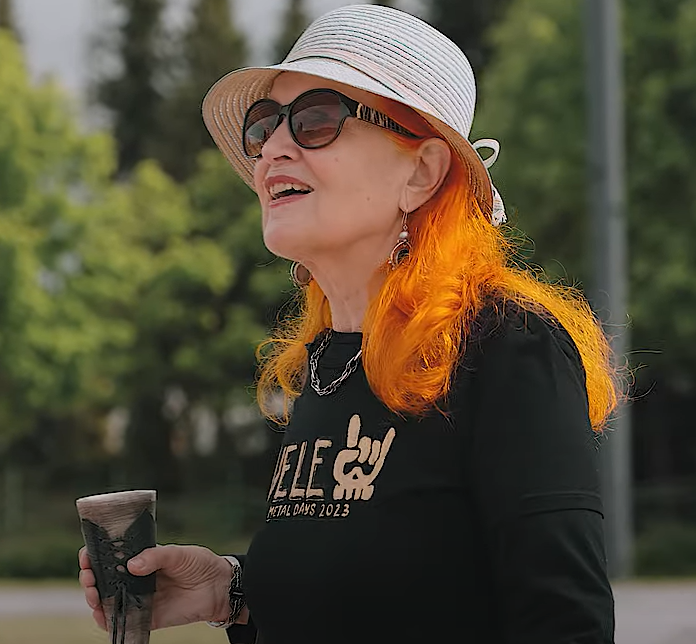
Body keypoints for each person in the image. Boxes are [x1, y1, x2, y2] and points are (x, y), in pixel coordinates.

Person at [79, 4, 621, 642]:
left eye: (315, 120)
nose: (273, 148)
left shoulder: (508, 345)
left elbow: (566, 626)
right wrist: (233, 591)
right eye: (263, 126)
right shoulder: (327, 363)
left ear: (421, 172)